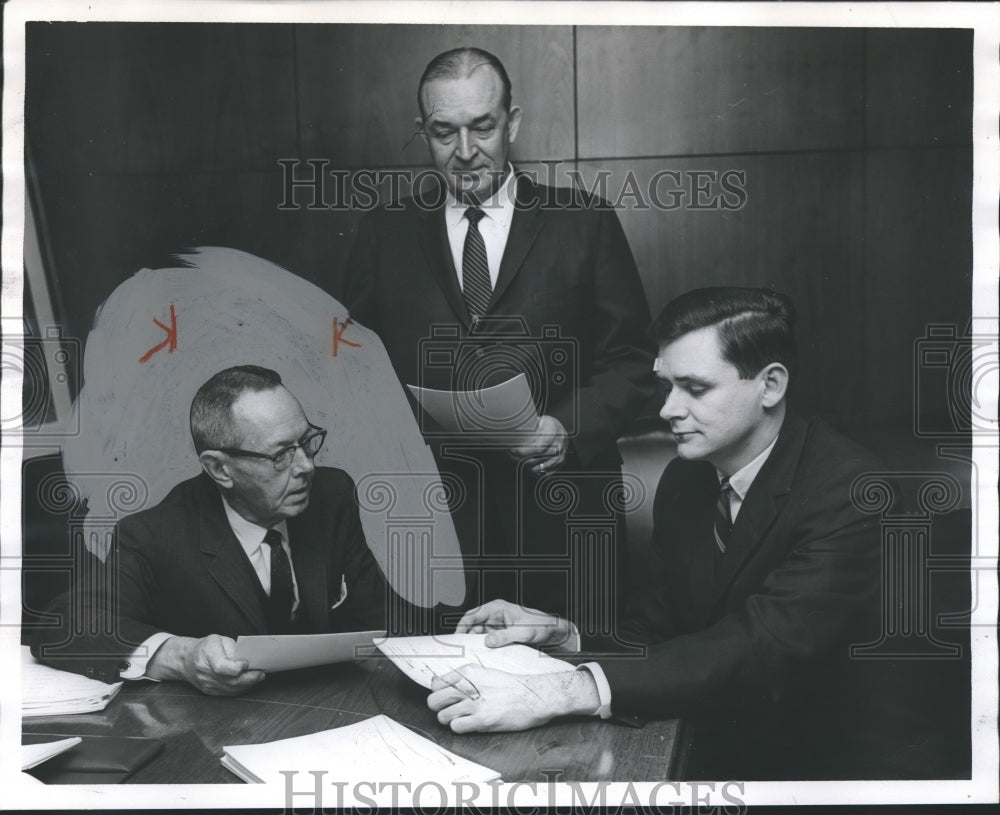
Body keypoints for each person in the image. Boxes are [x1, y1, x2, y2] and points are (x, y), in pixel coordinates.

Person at [427, 287, 944, 779]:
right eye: (667, 386)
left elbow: (762, 647)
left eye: (695, 388)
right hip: (725, 738)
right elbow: (663, 624)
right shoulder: (688, 476)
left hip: (837, 770)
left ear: (771, 384)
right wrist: (569, 637)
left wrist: (563, 691)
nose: (668, 409)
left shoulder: (854, 491)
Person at [343, 47, 655, 627]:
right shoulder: (382, 234)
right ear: (423, 133)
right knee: (442, 691)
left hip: (563, 520)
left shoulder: (584, 222)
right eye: (444, 132)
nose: (465, 152)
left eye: (482, 127)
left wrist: (567, 426)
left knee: (570, 687)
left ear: (511, 123)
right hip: (437, 520)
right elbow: (353, 372)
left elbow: (634, 359)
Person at [32, 366, 402, 695]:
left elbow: (379, 619)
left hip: (327, 705)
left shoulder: (330, 496)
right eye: (280, 455)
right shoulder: (156, 534)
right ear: (220, 470)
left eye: (307, 442)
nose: (306, 466)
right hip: (214, 732)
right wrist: (180, 657)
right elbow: (62, 624)